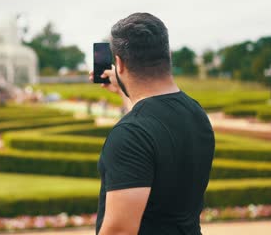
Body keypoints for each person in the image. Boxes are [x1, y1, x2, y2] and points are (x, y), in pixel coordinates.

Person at [89, 13, 215, 235]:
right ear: (167, 55)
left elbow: (120, 231)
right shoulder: (196, 112)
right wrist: (123, 89)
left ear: (118, 63)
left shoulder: (130, 135)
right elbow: (152, 123)